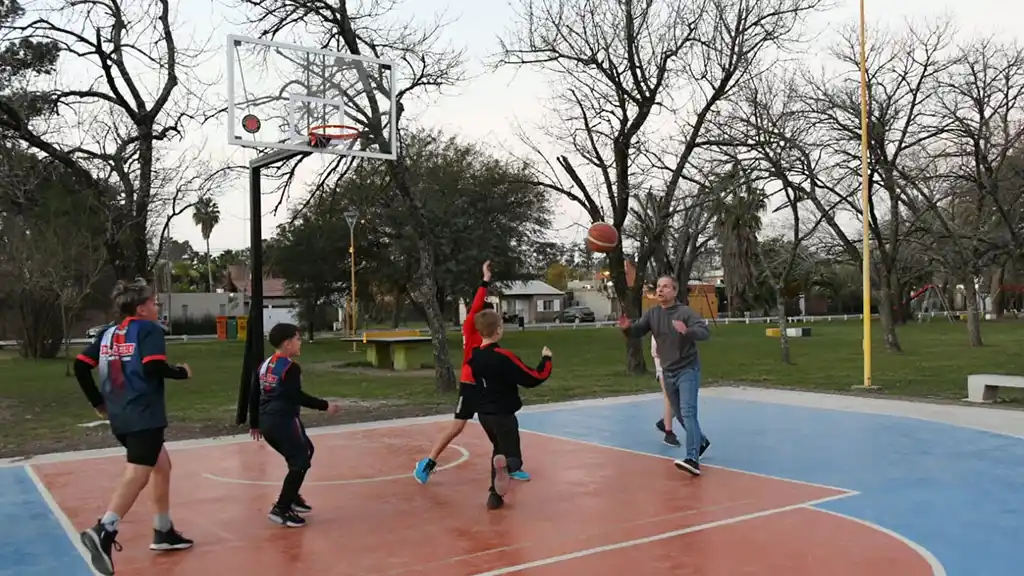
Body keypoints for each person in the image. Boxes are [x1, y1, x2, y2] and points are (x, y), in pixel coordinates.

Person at [75, 280, 194, 576]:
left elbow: (80, 365)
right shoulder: (149, 330)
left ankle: (163, 530)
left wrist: (97, 402)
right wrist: (181, 372)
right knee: (138, 473)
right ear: (141, 309)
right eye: (153, 302)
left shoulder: (108, 333)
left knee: (161, 465)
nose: (157, 306)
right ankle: (105, 529)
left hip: (120, 416)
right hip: (144, 415)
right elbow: (153, 366)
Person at [414, 261, 533, 484]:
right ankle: (427, 463)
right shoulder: (470, 327)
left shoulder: (489, 336)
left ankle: (512, 465)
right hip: (470, 385)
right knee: (458, 426)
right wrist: (485, 280)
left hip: (487, 384)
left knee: (503, 421)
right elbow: (477, 302)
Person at [249, 323, 340, 528]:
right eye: (298, 339)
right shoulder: (290, 368)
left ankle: (291, 496)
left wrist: (255, 423)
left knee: (306, 451)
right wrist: (325, 405)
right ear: (287, 343)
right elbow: (296, 396)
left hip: (268, 422)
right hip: (284, 421)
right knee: (300, 461)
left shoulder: (265, 365)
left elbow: (254, 394)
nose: (301, 342)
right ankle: (282, 508)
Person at [619, 276, 711, 475]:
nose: (660, 290)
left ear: (675, 292)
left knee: (688, 412)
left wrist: (688, 331)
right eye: (659, 286)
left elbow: (704, 332)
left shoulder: (684, 312)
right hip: (667, 371)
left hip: (687, 369)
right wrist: (627, 329)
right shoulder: (653, 314)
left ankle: (692, 459)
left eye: (666, 287)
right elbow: (638, 330)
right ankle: (701, 441)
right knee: (680, 415)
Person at [467, 309, 552, 510]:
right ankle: (506, 469)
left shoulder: (474, 357)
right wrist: (546, 360)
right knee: (513, 458)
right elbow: (533, 377)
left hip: (484, 415)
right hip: (503, 415)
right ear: (498, 330)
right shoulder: (504, 356)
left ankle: (495, 497)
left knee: (498, 449)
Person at [651, 336, 681, 447]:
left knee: (681, 400)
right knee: (669, 398)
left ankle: (664, 422)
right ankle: (668, 433)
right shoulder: (658, 329)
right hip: (664, 367)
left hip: (676, 367)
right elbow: (656, 351)